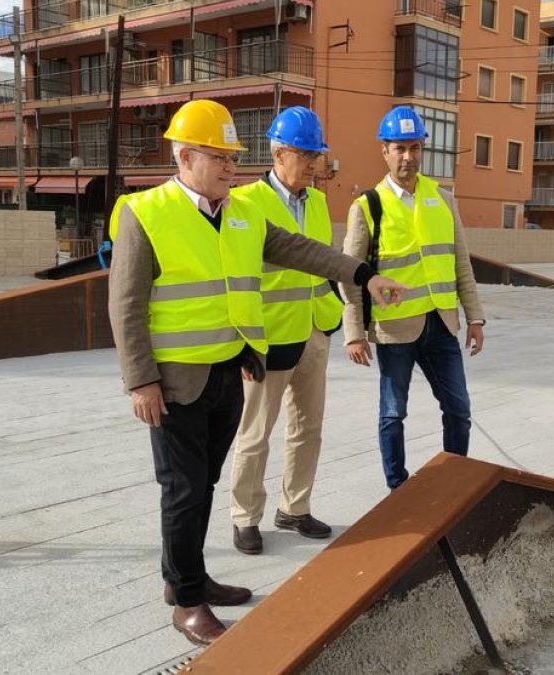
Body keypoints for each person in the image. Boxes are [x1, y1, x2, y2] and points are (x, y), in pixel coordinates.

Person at [108, 99, 405, 646]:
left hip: (229, 371)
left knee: (203, 485)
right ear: (187, 155)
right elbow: (125, 305)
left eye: (233, 157)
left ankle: (185, 581)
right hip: (173, 383)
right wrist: (140, 380)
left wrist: (363, 274)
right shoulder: (145, 211)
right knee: (182, 491)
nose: (229, 166)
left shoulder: (242, 214)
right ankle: (188, 601)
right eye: (219, 156)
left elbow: (301, 250)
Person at [340, 106, 486, 490]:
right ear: (384, 151)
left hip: (441, 324)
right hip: (395, 328)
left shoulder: (443, 199)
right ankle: (397, 486)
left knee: (459, 409)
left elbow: (461, 264)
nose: (408, 156)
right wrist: (353, 330)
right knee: (392, 413)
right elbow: (350, 274)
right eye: (400, 148)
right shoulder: (368, 207)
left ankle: (455, 480)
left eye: (415, 147)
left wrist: (475, 317)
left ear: (423, 149)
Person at [228, 107, 341, 555]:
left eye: (317, 154)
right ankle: (245, 516)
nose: (315, 163)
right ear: (278, 153)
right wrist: (244, 341)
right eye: (307, 153)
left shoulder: (317, 203)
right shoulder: (247, 204)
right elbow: (237, 278)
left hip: (314, 331)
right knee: (256, 432)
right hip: (268, 340)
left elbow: (324, 264)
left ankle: (295, 507)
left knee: (308, 427)